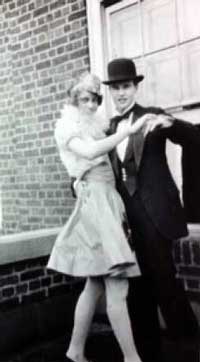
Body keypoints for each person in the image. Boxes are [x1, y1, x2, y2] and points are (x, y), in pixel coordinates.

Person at [47, 72, 164, 362]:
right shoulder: (66, 127)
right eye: (84, 99)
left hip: (108, 203)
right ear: (73, 102)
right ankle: (131, 358)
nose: (90, 105)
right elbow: (87, 153)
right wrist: (128, 131)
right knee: (117, 283)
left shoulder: (97, 126)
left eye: (94, 99)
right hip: (97, 205)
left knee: (96, 283)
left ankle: (75, 351)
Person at [103, 58, 199, 362]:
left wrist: (174, 123)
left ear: (135, 87)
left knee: (165, 283)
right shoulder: (108, 130)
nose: (121, 93)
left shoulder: (153, 117)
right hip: (127, 221)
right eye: (116, 88)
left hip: (156, 216)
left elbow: (194, 138)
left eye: (126, 86)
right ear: (111, 91)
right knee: (137, 290)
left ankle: (190, 348)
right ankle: (146, 352)